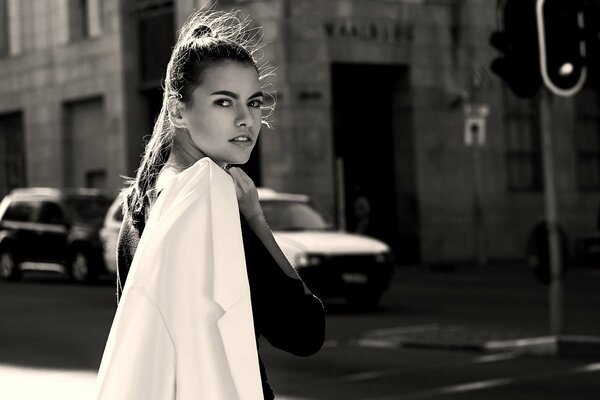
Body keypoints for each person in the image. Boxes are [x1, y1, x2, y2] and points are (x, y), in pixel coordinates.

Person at [95, 8, 325, 400]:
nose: (246, 120)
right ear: (177, 110)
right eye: (223, 102)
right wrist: (255, 219)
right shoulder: (208, 197)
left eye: (254, 102)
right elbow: (302, 330)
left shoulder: (142, 203)